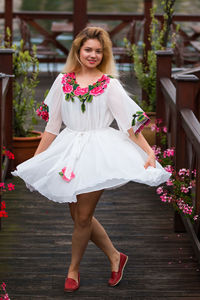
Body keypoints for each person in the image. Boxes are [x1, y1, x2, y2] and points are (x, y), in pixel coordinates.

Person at [11, 26, 171, 292]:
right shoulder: (62, 81)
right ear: (78, 50)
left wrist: (149, 151)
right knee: (77, 214)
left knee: (83, 216)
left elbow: (129, 125)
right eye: (88, 49)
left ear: (104, 54)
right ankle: (115, 256)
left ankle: (73, 269)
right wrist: (35, 161)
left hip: (99, 151)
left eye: (98, 51)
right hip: (69, 149)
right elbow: (52, 127)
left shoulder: (110, 85)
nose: (93, 55)